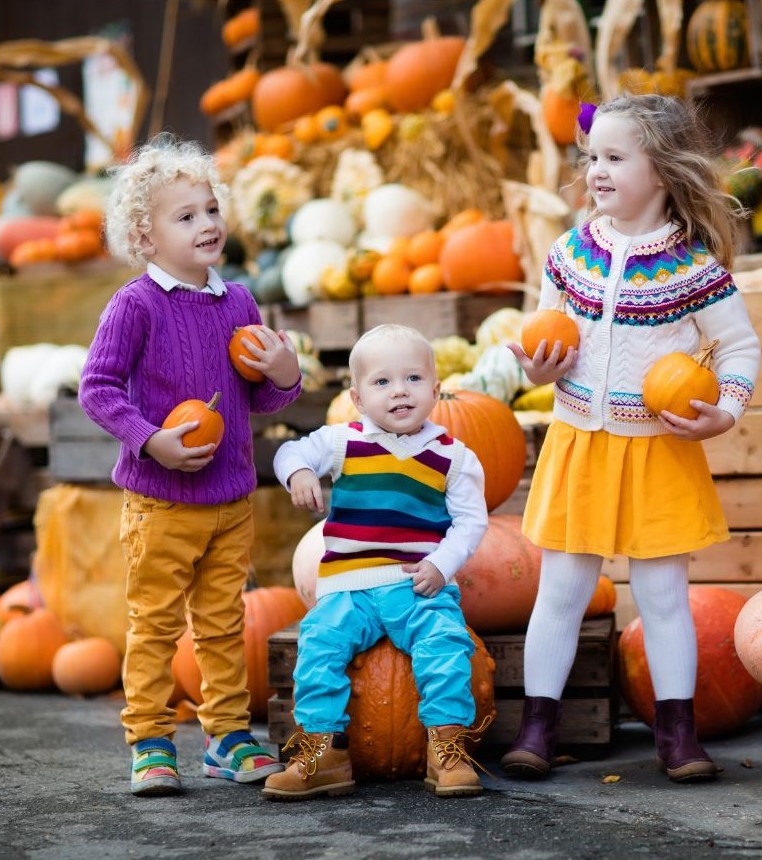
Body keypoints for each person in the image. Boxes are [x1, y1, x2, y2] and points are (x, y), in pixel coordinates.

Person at [502, 94, 761, 783]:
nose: (597, 172)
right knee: (560, 589)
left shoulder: (692, 268)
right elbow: (543, 331)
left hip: (658, 448)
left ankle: (678, 733)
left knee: (662, 595)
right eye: (593, 158)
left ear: (665, 171)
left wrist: (725, 412)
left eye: (615, 158)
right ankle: (538, 725)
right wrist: (536, 365)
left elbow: (738, 348)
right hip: (581, 440)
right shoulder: (570, 252)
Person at [80, 134, 302, 796]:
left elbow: (261, 395)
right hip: (162, 503)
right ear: (146, 240)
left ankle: (227, 734)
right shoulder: (136, 305)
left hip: (230, 502)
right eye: (186, 216)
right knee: (154, 625)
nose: (207, 224)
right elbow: (98, 388)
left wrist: (286, 373)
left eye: (211, 209)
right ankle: (149, 739)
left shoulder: (238, 303)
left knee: (223, 621)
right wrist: (151, 440)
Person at [262, 324, 491, 801]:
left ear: (436, 388)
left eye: (412, 378)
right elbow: (289, 450)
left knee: (446, 645)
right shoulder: (342, 441)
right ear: (358, 398)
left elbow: (471, 522)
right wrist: (300, 472)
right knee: (319, 646)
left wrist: (441, 565)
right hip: (349, 584)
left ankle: (445, 748)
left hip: (416, 582)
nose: (399, 391)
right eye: (382, 382)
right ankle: (325, 752)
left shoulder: (454, 456)